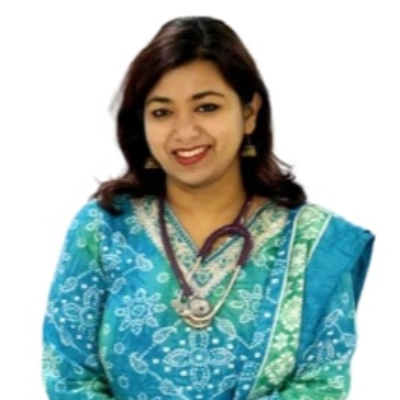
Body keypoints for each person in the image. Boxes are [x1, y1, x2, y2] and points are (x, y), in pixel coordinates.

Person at [42, 16, 375, 400]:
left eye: (207, 107)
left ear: (249, 113)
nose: (185, 132)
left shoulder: (311, 242)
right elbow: (68, 378)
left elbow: (321, 385)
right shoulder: (104, 228)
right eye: (162, 112)